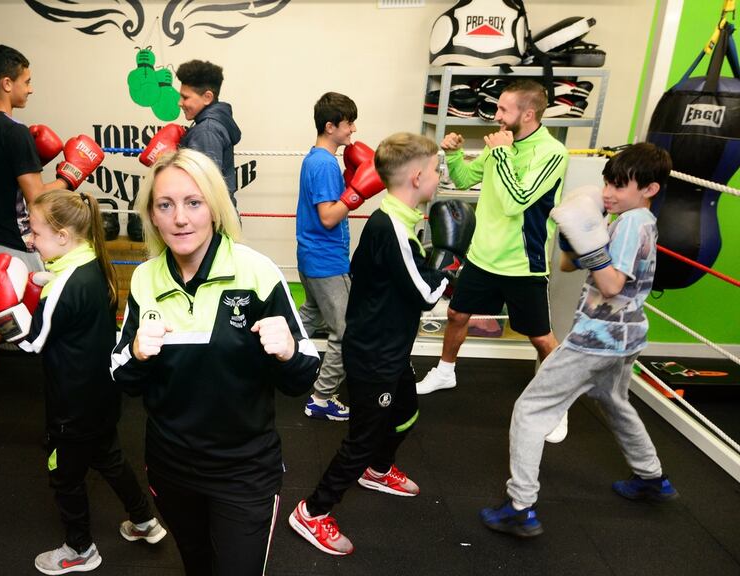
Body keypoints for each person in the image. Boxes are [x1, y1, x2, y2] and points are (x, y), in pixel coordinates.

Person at [110, 149, 320, 575]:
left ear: (215, 209)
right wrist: (136, 353)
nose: (180, 218)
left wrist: (288, 352)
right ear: (152, 215)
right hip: (171, 465)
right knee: (197, 564)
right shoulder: (145, 279)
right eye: (165, 205)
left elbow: (302, 379)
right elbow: (124, 379)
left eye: (193, 202)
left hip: (243, 470)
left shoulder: (256, 272)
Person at [481, 143, 678, 537]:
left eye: (621, 185)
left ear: (650, 189)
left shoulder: (632, 222)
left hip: (596, 339)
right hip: (627, 338)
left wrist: (589, 236)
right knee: (615, 402)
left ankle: (521, 506)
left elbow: (609, 283)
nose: (608, 192)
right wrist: (577, 236)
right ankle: (652, 477)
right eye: (608, 182)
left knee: (531, 410)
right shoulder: (631, 219)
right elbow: (572, 265)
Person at [290, 133, 472, 555]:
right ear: (417, 176)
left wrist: (434, 266)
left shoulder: (399, 219)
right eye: (436, 169)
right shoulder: (390, 225)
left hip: (389, 346)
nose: (440, 176)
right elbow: (427, 295)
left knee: (406, 413)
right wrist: (450, 261)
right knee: (363, 437)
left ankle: (379, 468)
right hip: (374, 354)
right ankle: (313, 511)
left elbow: (400, 276)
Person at [0, 190, 165, 574]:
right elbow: (63, 291)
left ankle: (80, 549)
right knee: (109, 458)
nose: (29, 240)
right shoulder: (93, 262)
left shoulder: (61, 288)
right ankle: (145, 522)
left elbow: (32, 341)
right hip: (102, 391)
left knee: (64, 476)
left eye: (36, 233)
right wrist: (39, 280)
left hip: (71, 402)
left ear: (62, 235)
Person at [0, 44, 102, 446]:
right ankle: (63, 425)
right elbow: (38, 200)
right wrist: (71, 173)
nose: (30, 90)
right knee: (51, 331)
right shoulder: (14, 134)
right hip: (19, 247)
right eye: (27, 82)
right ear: (7, 82)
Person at [416, 80, 571, 442]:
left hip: (521, 262)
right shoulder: (503, 141)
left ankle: (557, 404)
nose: (496, 116)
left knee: (542, 339)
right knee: (456, 314)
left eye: (504, 110)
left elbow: (517, 201)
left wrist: (501, 154)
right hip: (483, 255)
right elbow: (467, 178)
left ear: (528, 114)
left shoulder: (551, 153)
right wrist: (454, 154)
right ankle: (445, 370)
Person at [295, 92, 369, 421]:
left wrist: (351, 182)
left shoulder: (315, 159)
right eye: (348, 123)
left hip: (311, 256)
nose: (353, 129)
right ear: (330, 126)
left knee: (307, 317)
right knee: (346, 330)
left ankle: (259, 360)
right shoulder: (324, 163)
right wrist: (358, 192)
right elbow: (327, 216)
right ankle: (322, 397)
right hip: (326, 261)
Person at [176, 59, 243, 208]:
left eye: (185, 97)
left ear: (207, 97)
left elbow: (205, 188)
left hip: (212, 221)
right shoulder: (211, 124)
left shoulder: (206, 130)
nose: (180, 103)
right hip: (217, 218)